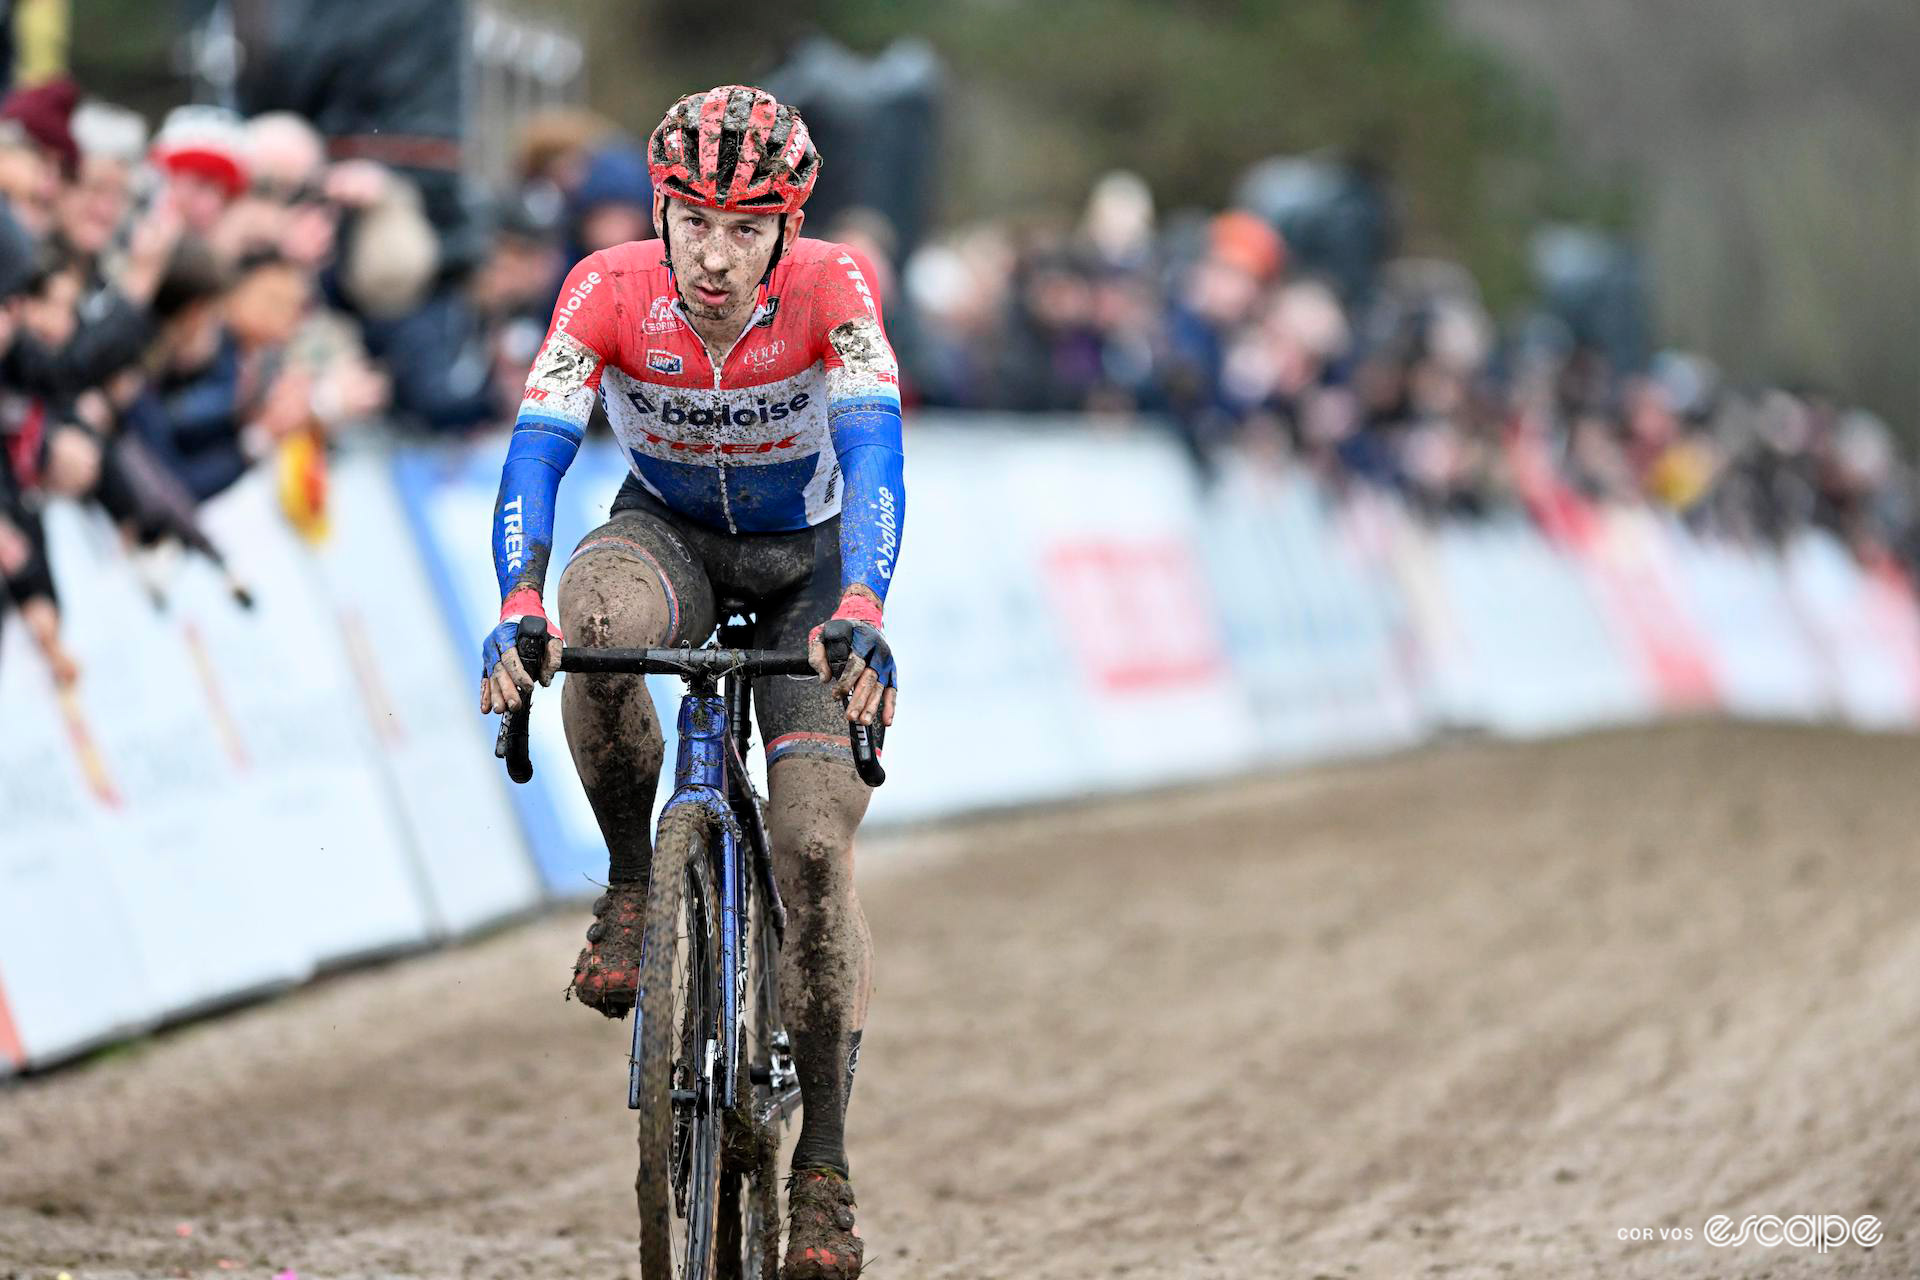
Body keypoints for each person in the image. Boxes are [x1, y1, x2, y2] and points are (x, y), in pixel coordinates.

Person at [478, 84, 901, 1280]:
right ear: (659, 212)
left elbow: (876, 447)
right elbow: (536, 450)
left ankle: (822, 1162)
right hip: (664, 533)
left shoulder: (838, 289)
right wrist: (519, 595)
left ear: (789, 229)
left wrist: (864, 606)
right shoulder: (604, 288)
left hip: (809, 566)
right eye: (694, 223)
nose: (716, 258)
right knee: (591, 623)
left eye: (748, 229)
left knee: (814, 846)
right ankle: (629, 882)